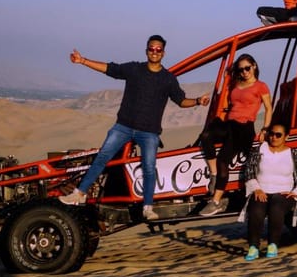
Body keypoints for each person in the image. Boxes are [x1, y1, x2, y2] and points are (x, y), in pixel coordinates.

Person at [59, 36, 210, 220]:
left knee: (148, 167)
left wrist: (197, 101)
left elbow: (180, 100)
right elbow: (110, 69)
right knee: (102, 157)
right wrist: (83, 61)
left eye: (158, 49)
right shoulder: (134, 69)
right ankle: (79, 193)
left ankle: (147, 206)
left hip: (149, 132)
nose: (154, 52)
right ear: (146, 51)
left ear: (163, 53)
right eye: (151, 49)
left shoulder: (168, 79)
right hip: (123, 126)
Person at [199, 53, 272, 216]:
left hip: (244, 127)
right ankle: (213, 174)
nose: (244, 72)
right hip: (230, 124)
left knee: (223, 159)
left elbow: (268, 108)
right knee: (205, 136)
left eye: (247, 68)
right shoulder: (236, 83)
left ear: (254, 66)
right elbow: (228, 79)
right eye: (241, 69)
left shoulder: (261, 86)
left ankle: (216, 201)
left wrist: (265, 128)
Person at [242, 123, 297, 261]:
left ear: (286, 136)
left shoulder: (293, 154)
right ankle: (253, 247)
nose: (274, 137)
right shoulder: (259, 150)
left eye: (278, 135)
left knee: (276, 207)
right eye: (271, 134)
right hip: (261, 190)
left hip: (284, 192)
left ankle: (273, 244)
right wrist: (256, 188)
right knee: (256, 210)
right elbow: (249, 171)